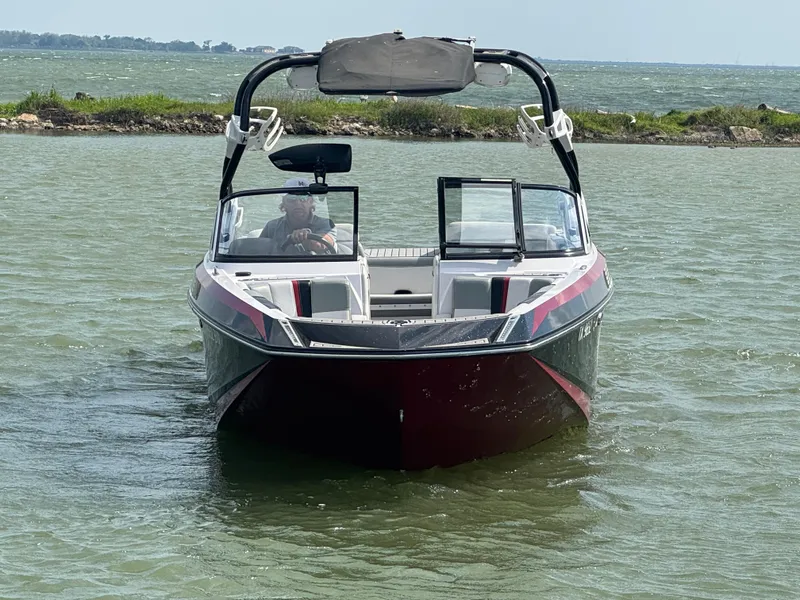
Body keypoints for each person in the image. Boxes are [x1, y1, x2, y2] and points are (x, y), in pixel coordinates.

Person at [260, 177, 337, 254]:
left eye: (303, 198)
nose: (298, 204)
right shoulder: (272, 227)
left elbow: (323, 243)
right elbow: (257, 250)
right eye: (292, 199)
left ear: (311, 202)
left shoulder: (326, 224)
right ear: (284, 203)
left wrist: (306, 237)